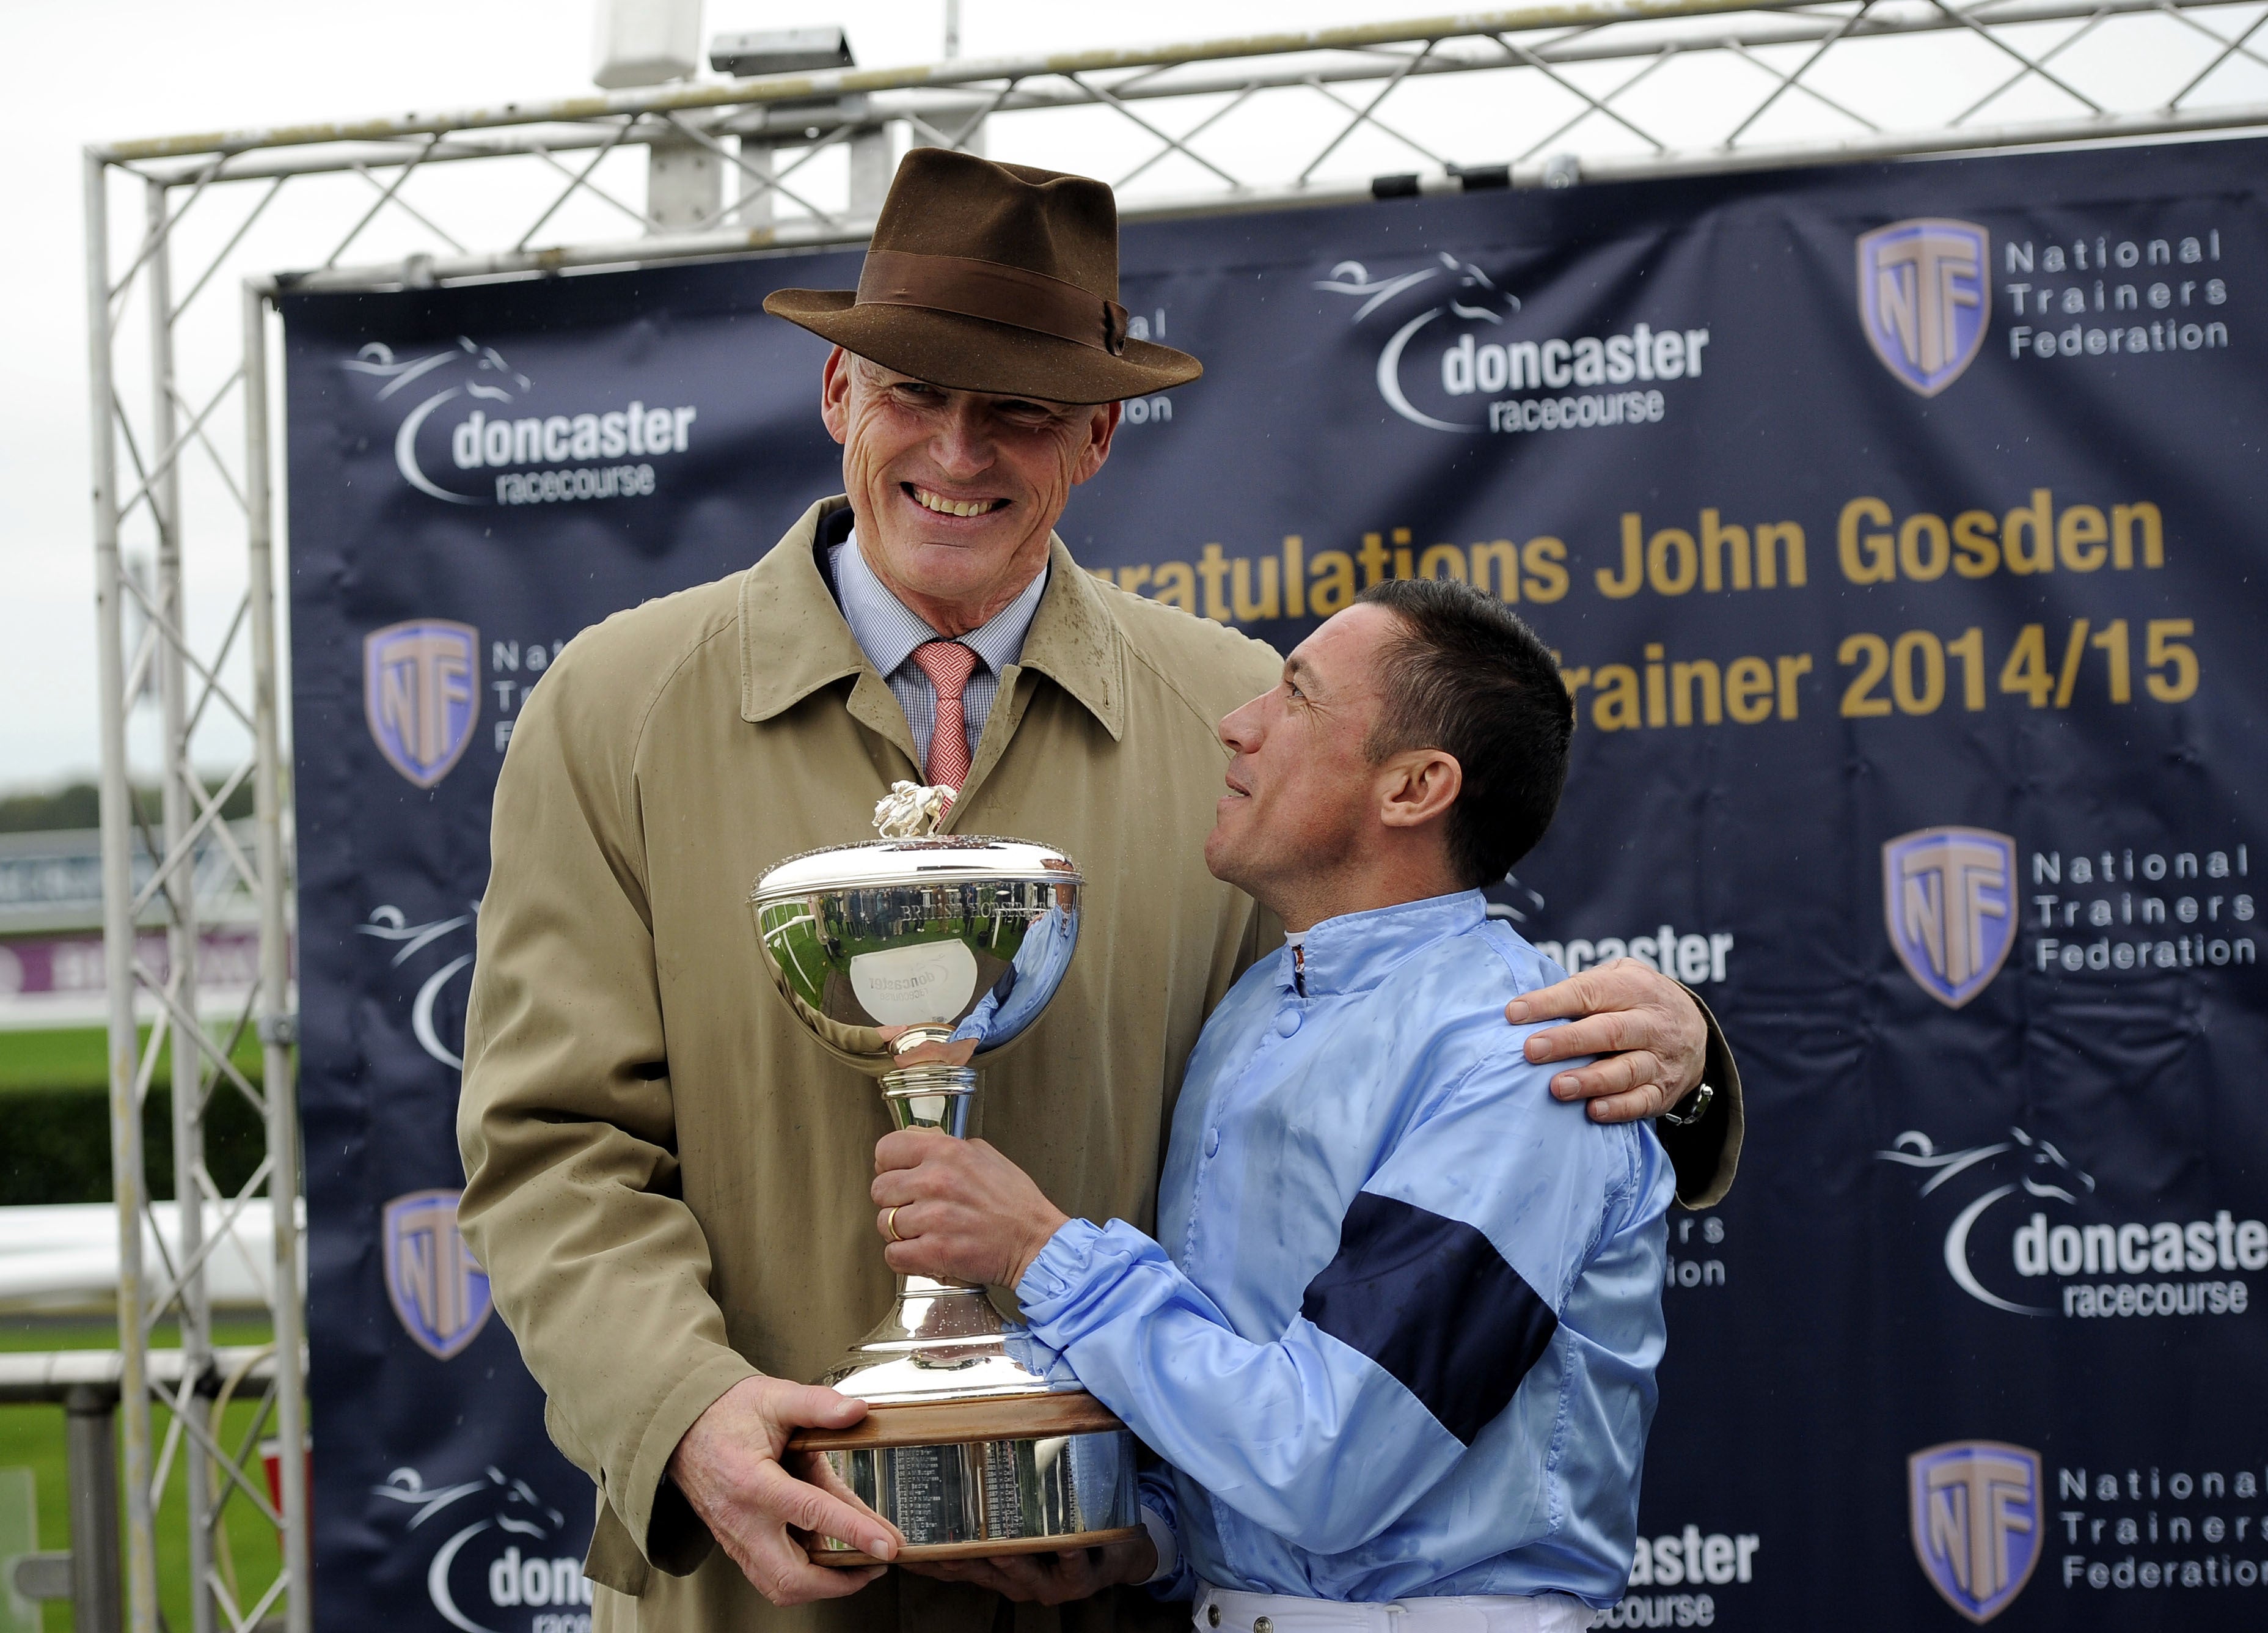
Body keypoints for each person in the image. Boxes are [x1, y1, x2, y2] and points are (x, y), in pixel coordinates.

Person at [456, 148, 1738, 1633]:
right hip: (754, 1595)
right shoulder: (615, 705)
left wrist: (1680, 1069)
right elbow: (551, 1149)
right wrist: (687, 1414)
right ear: (835, 399)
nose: (957, 448)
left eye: (1018, 408)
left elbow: (1402, 1041)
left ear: (1099, 437)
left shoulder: (1235, 708)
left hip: (1129, 1595)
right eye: (911, 395)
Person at [873, 579, 1668, 1631]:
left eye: (1295, 697)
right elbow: (1254, 1388)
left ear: (1416, 786)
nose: (1237, 724)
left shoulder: (1526, 1067)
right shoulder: (1256, 1009)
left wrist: (1036, 1252)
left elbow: (1326, 1458)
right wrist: (1147, 1534)